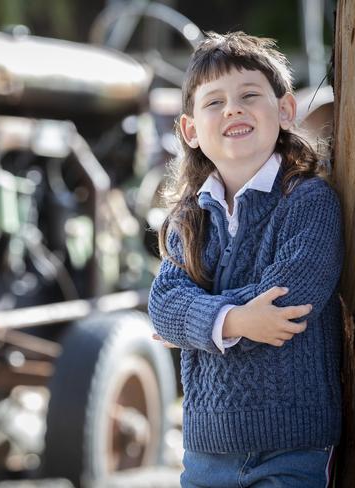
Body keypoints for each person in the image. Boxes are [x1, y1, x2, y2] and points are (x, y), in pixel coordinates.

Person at [147, 31, 343, 488]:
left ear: (285, 111)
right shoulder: (190, 218)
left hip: (293, 447)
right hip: (205, 451)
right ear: (190, 130)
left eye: (249, 95)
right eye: (214, 102)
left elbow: (289, 302)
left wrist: (199, 323)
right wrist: (233, 319)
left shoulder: (309, 202)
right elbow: (163, 305)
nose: (233, 108)